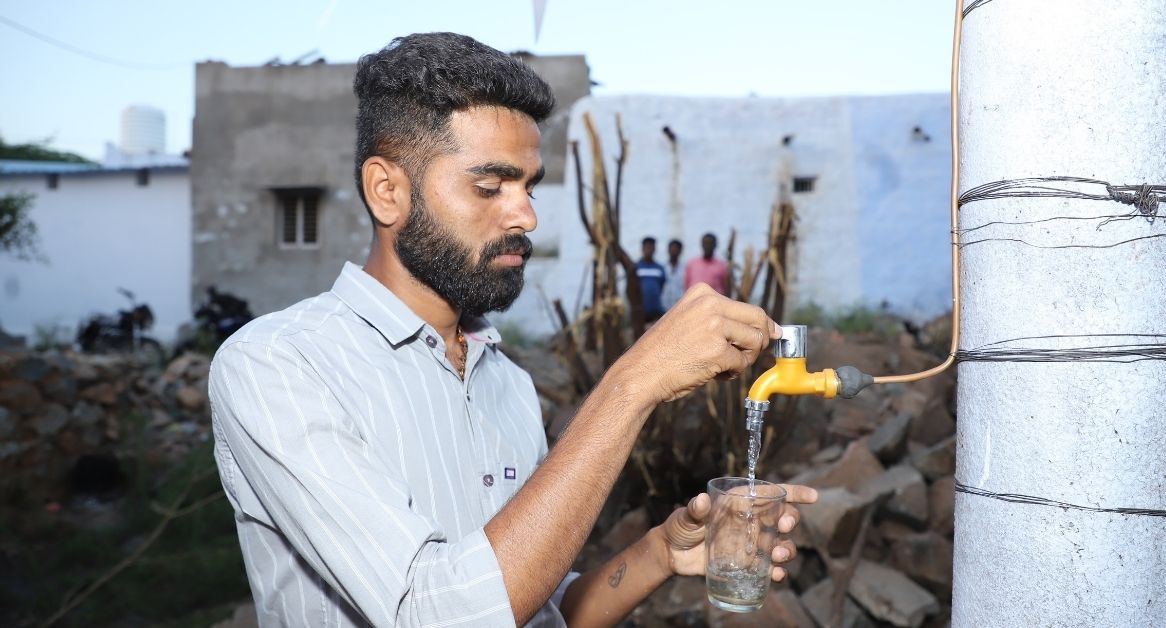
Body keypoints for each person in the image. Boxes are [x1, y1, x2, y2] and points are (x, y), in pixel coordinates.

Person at [209, 33, 816, 627]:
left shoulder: (507, 383)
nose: (525, 214)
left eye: (528, 186)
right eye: (489, 186)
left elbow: (532, 603)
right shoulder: (278, 367)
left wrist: (659, 553)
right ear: (387, 191)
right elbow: (436, 615)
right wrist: (633, 382)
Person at [634, 236, 667, 321]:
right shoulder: (636, 267)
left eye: (651, 247)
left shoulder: (659, 268)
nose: (649, 250)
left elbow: (661, 286)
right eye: (647, 247)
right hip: (641, 311)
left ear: (654, 249)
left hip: (656, 309)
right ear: (642, 248)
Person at [662, 238, 685, 310]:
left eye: (676, 248)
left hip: (681, 307)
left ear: (680, 251)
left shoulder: (685, 268)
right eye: (672, 248)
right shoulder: (662, 267)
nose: (674, 250)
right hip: (663, 307)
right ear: (668, 250)